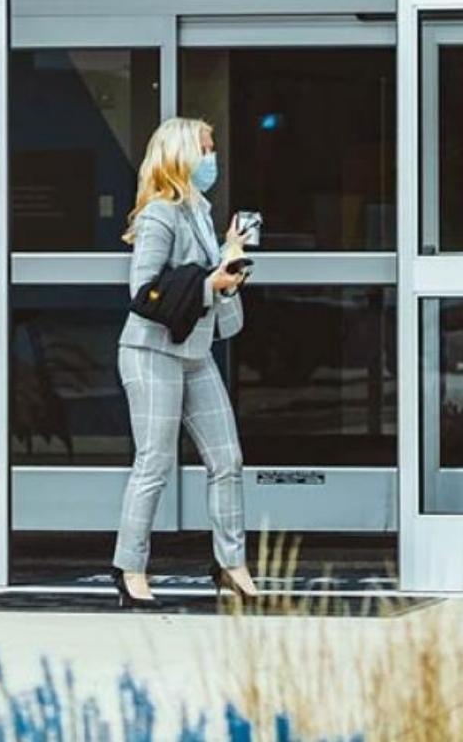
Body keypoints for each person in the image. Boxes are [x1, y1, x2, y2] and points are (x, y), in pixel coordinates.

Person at [112, 117, 259, 608]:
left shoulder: (200, 210)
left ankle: (231, 564)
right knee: (154, 462)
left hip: (194, 352)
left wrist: (230, 258)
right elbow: (144, 290)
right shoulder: (159, 215)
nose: (212, 156)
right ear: (180, 154)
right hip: (152, 353)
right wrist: (206, 283)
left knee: (227, 459)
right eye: (205, 146)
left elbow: (207, 281)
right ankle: (130, 568)